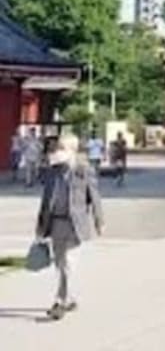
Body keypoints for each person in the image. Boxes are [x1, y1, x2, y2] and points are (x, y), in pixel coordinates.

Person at [34, 133, 104, 321]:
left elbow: (95, 197)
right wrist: (40, 226)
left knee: (67, 261)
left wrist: (99, 220)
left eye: (62, 148)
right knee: (59, 263)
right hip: (55, 222)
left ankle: (60, 301)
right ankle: (69, 298)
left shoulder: (83, 171)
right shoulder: (53, 172)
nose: (57, 152)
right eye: (57, 148)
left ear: (72, 151)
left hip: (74, 223)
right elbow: (46, 200)